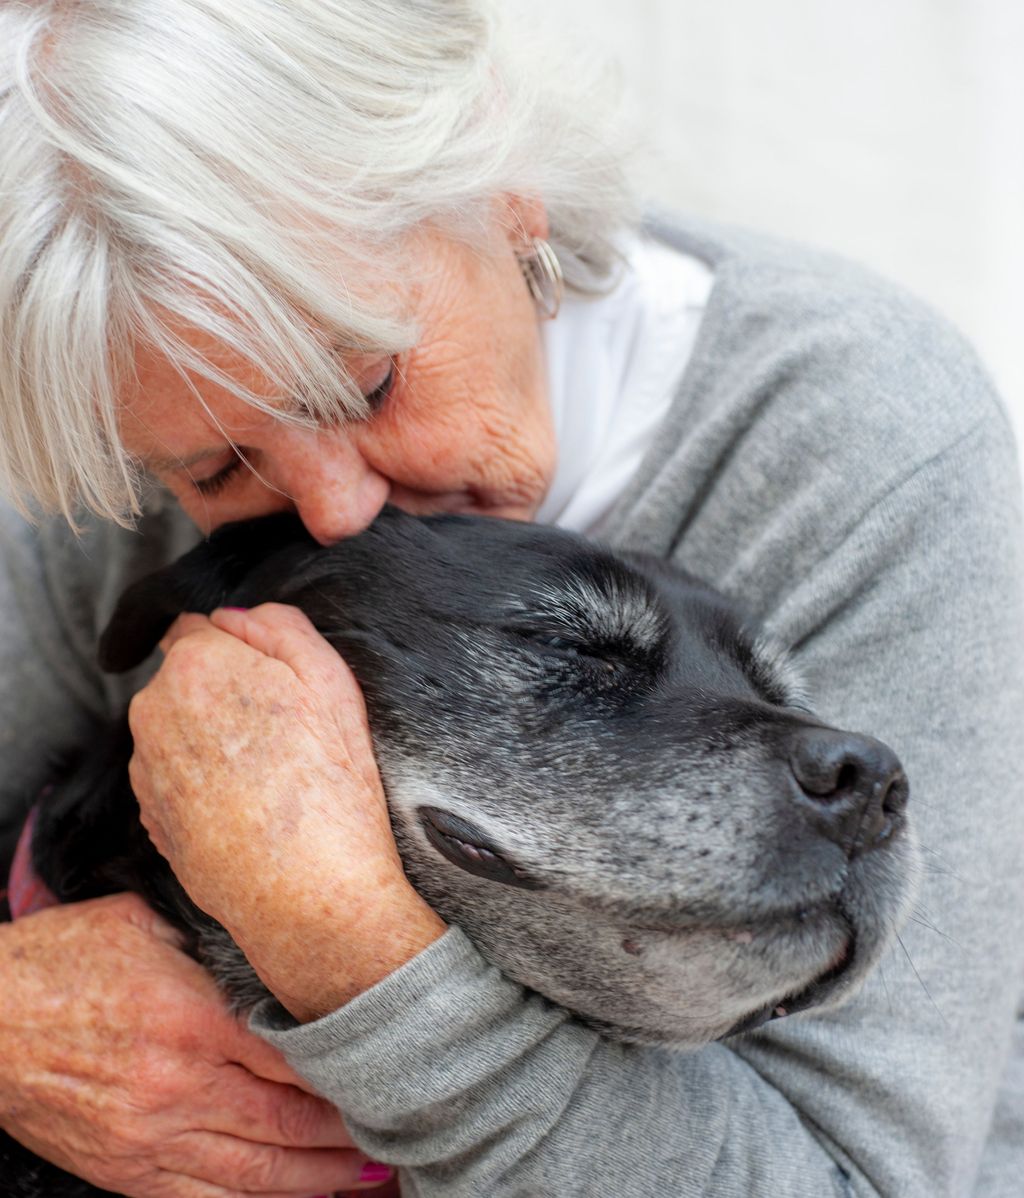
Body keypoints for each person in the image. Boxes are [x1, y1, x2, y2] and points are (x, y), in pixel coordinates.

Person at [0, 1, 1022, 1196]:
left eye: (368, 380)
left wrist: (343, 946)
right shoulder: (123, 424)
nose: (333, 511)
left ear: (507, 201)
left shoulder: (861, 437)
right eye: (221, 471)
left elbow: (861, 1177)